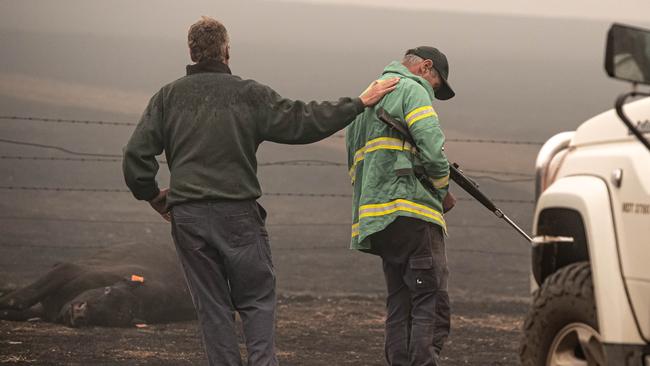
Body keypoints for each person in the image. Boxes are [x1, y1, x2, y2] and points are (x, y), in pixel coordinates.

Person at [122, 16, 398, 366]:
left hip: (188, 215)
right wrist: (358, 103)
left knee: (211, 305)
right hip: (237, 214)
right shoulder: (249, 94)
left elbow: (135, 155)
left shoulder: (168, 97)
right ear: (226, 51)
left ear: (191, 51)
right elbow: (303, 120)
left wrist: (151, 195)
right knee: (256, 300)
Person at [345, 46, 456, 366]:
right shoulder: (413, 90)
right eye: (436, 84)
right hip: (413, 212)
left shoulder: (366, 97)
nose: (433, 91)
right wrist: (440, 189)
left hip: (377, 219)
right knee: (429, 302)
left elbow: (354, 164)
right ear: (425, 67)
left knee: (399, 304)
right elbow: (434, 152)